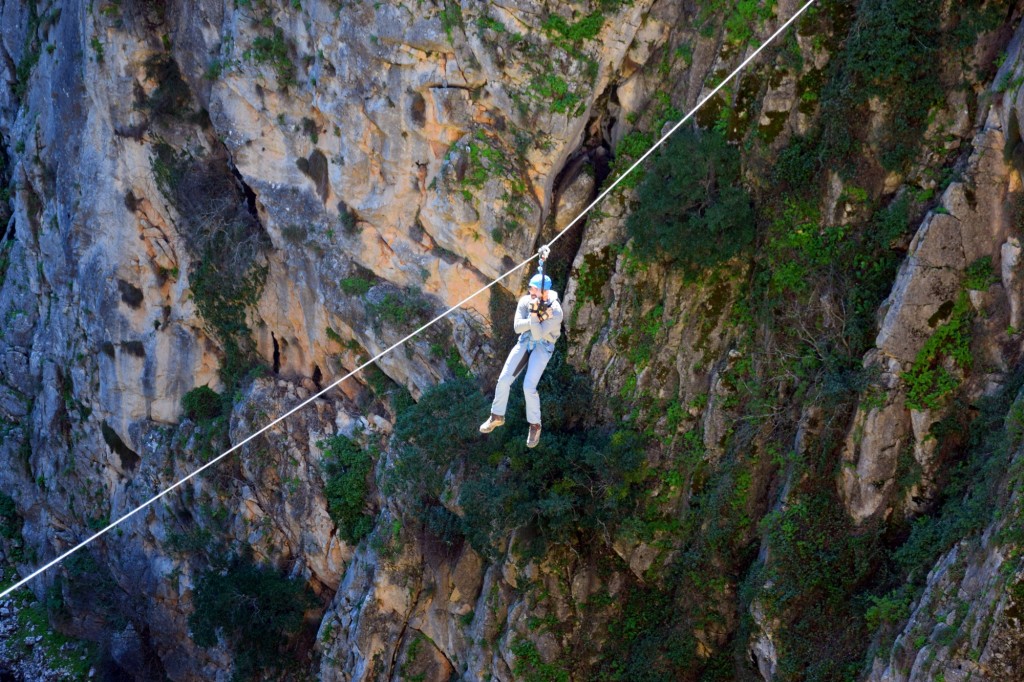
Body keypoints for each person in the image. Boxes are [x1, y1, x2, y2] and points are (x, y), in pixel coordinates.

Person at [479, 272, 563, 448]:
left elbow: (540, 333)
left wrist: (533, 318)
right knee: (503, 379)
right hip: (525, 340)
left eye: (534, 291)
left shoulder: (555, 311)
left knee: (528, 387)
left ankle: (535, 425)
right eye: (530, 290)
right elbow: (518, 327)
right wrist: (536, 316)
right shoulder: (526, 302)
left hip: (543, 346)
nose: (530, 293)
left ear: (544, 292)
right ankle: (497, 416)